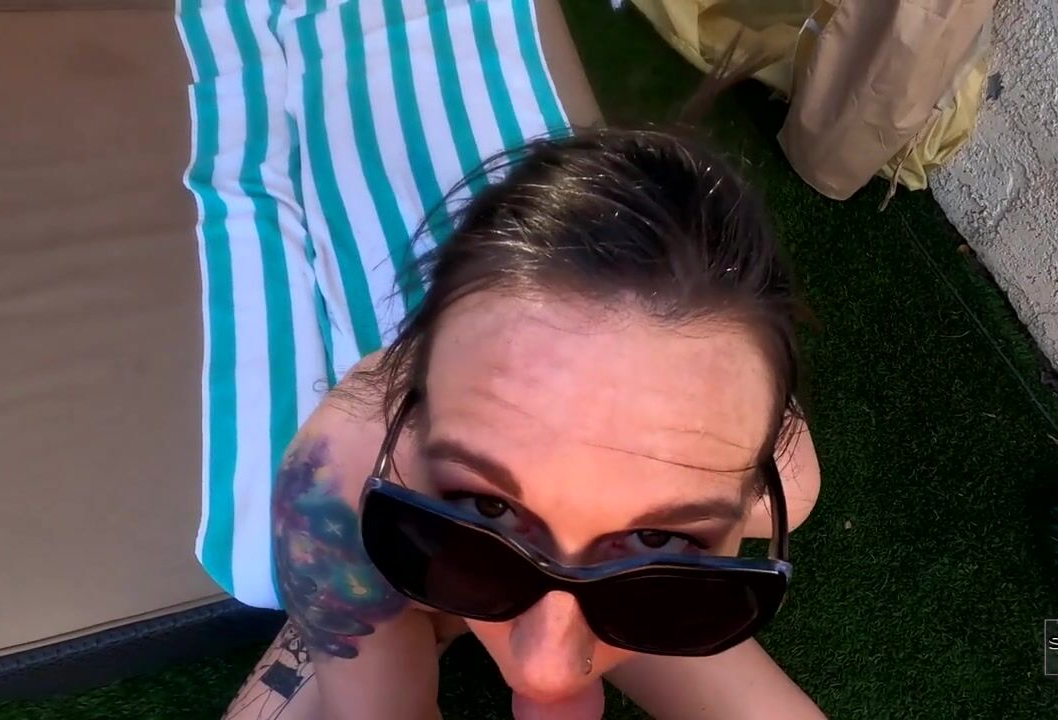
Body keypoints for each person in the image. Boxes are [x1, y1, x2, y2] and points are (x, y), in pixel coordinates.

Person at [219, 107, 826, 719]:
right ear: (412, 398)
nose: (544, 668)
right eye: (486, 507)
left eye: (656, 538)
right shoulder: (336, 486)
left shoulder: (786, 485)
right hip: (377, 559)